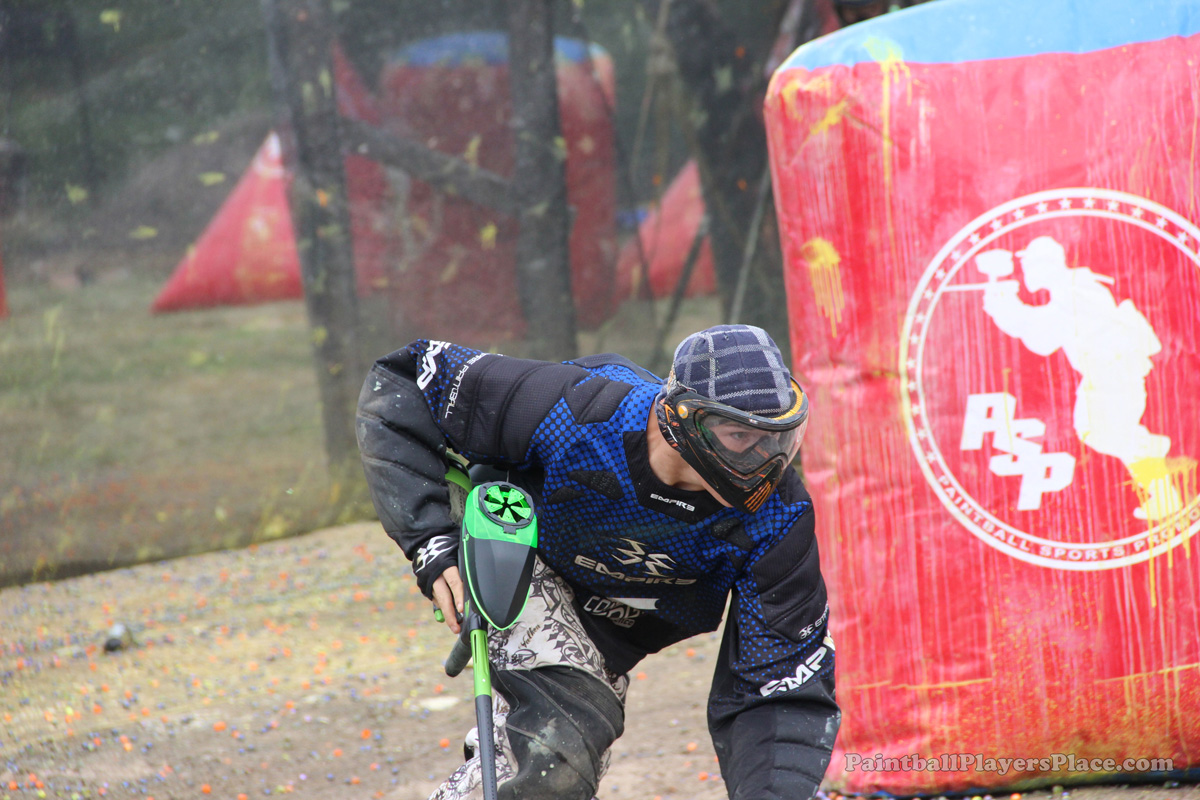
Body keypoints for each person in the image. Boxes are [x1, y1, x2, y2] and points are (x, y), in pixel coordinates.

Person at [356, 324, 839, 800]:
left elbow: (778, 687)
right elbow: (406, 380)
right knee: (556, 754)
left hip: (612, 631)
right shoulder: (575, 409)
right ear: (683, 421)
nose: (765, 462)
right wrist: (430, 539)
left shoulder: (778, 518)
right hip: (522, 563)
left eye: (777, 440)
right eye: (739, 435)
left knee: (550, 772)